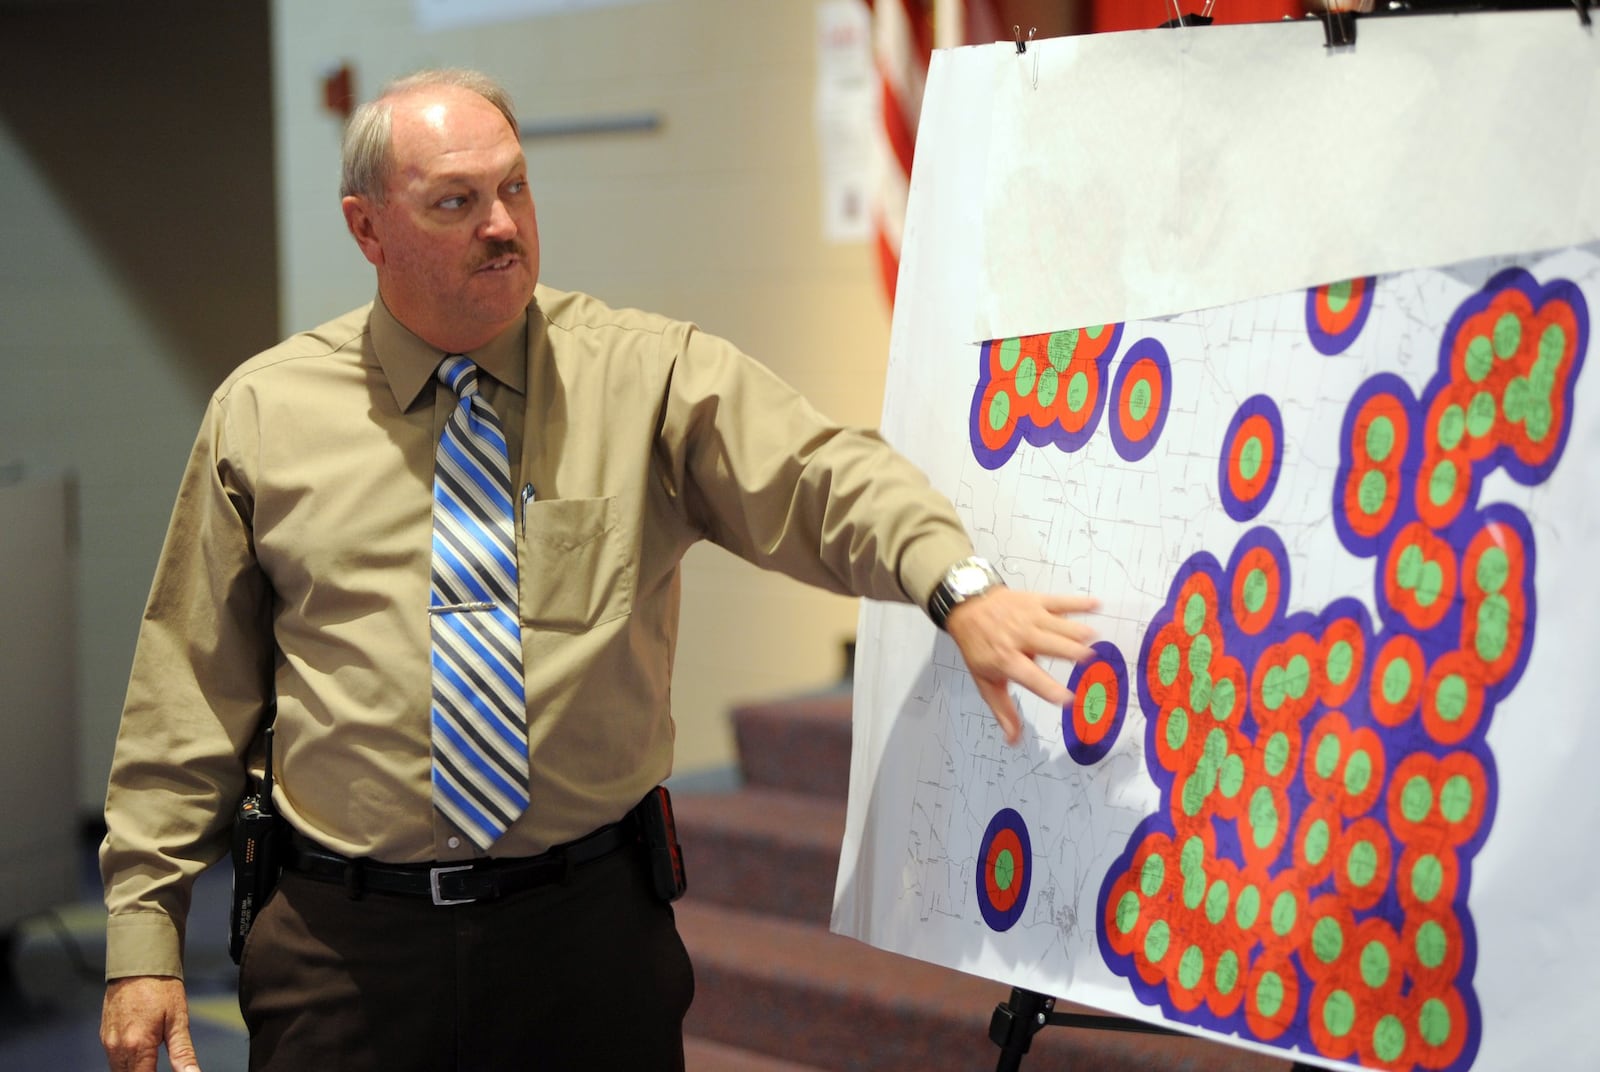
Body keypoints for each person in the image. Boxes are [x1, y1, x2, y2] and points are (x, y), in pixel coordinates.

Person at [98, 68, 1098, 1072]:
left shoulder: (644, 376)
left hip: (583, 936)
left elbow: (823, 476)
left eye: (515, 188)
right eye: (456, 201)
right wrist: (143, 943)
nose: (503, 224)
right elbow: (186, 692)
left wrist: (953, 583)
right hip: (345, 953)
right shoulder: (266, 415)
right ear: (368, 229)